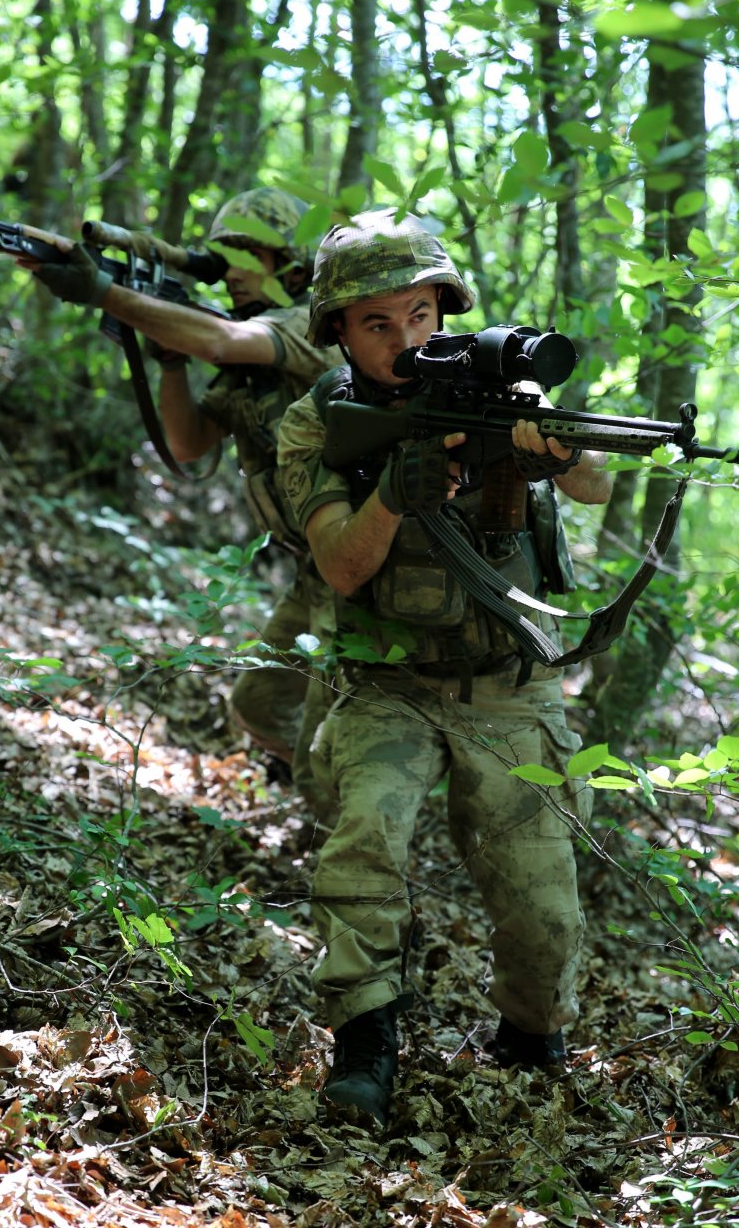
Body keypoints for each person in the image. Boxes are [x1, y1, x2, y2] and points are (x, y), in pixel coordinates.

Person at [276, 208, 614, 1126]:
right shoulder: (313, 426)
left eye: (419, 316)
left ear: (445, 309)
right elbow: (342, 564)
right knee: (364, 847)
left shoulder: (497, 386)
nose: (404, 339)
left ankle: (530, 1043)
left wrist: (551, 445)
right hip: (386, 684)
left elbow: (599, 483)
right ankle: (364, 1041)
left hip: (511, 690)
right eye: (376, 323)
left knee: (545, 917)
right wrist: (394, 492)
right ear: (337, 331)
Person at [23, 188, 339, 819]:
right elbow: (189, 445)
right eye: (225, 256)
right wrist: (169, 363)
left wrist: (107, 295)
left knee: (326, 753)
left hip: (359, 568)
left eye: (249, 255)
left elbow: (223, 340)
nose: (235, 271)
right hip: (314, 572)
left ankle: (351, 862)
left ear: (292, 268)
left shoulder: (307, 327)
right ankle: (321, 805)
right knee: (254, 706)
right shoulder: (242, 369)